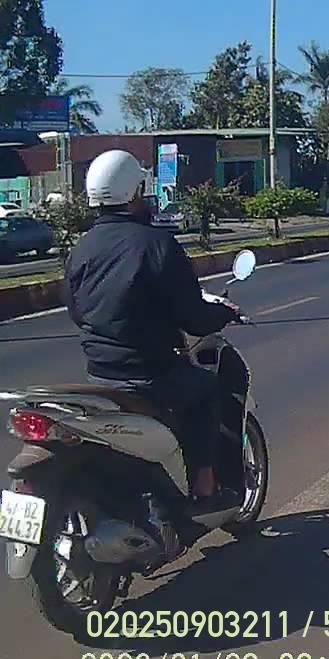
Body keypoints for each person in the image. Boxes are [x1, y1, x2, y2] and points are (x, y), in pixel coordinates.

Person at [65, 149, 242, 512]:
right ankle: (205, 487)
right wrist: (223, 314)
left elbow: (76, 311)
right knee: (206, 390)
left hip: (100, 373)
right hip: (150, 373)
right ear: (135, 192)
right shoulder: (157, 244)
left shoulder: (81, 248)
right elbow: (194, 318)